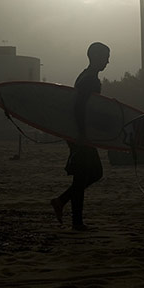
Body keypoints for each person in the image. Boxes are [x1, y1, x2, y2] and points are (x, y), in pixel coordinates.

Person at [50, 42, 110, 231]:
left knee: (89, 174)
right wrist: (83, 134)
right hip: (79, 134)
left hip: (78, 133)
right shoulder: (90, 79)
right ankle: (75, 220)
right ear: (96, 57)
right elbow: (79, 108)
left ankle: (62, 203)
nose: (108, 61)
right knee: (87, 174)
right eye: (106, 57)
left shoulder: (85, 75)